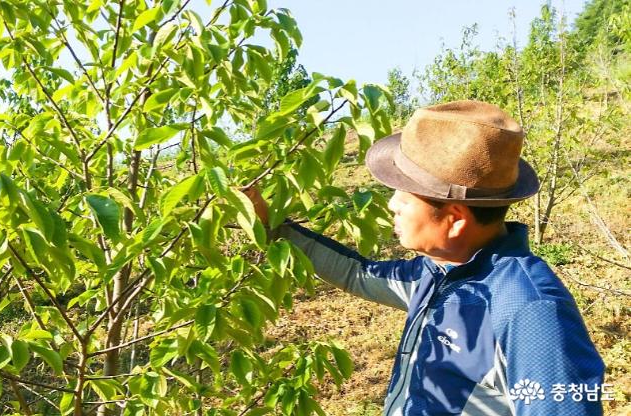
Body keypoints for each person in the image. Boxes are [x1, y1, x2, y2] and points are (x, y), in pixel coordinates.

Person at [244, 101, 604, 415]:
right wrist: (271, 227)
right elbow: (357, 274)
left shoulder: (529, 310)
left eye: (405, 194)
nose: (391, 204)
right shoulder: (436, 272)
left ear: (454, 219)